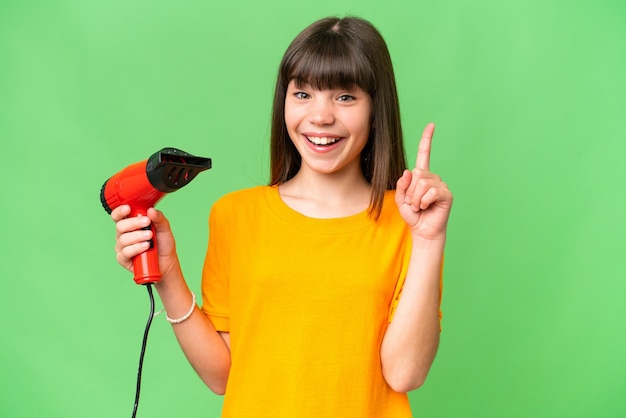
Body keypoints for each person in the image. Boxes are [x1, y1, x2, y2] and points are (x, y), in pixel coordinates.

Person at [112, 16, 453, 417]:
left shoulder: (407, 223)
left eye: (345, 97)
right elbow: (222, 376)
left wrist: (429, 241)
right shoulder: (235, 215)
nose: (321, 116)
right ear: (284, 103)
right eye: (303, 94)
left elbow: (405, 374)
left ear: (376, 109)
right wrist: (168, 276)